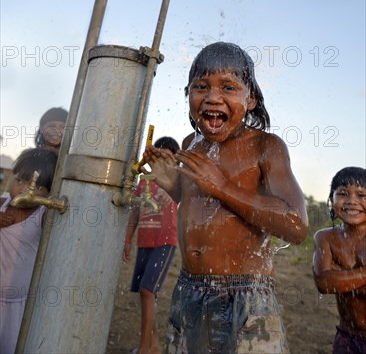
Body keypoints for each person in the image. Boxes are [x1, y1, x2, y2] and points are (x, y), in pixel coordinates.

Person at [143, 41, 308, 354]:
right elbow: (199, 203)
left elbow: (296, 225)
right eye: (200, 86)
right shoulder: (192, 142)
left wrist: (221, 185)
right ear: (188, 94)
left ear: (252, 99)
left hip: (246, 293)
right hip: (189, 287)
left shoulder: (266, 147)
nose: (212, 97)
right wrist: (172, 184)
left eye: (228, 87)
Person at [123, 137, 180, 354]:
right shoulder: (145, 179)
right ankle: (154, 346)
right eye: (159, 154)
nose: (162, 159)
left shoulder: (176, 179)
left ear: (176, 160)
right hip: (144, 242)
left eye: (168, 156)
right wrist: (128, 239)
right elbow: (135, 211)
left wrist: (172, 189)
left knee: (148, 290)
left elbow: (183, 190)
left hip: (165, 241)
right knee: (145, 294)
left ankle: (143, 349)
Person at [0, 148, 57, 354]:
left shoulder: (42, 216)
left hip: (18, 303)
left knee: (12, 346)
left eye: (36, 186)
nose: (24, 189)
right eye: (19, 181)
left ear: (49, 192)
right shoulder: (2, 204)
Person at [313, 166, 366, 353]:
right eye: (343, 193)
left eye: (362, 195)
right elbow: (324, 283)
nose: (352, 201)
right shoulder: (325, 238)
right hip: (347, 337)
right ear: (331, 199)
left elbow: (332, 280)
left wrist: (341, 275)